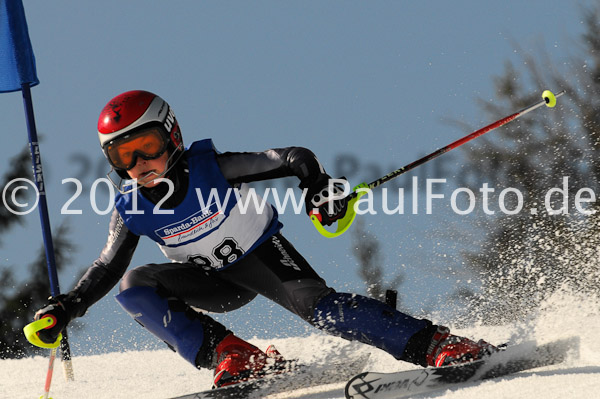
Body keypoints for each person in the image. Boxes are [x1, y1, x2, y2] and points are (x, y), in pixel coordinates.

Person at [33, 90, 497, 388]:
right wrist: (67, 307)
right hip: (210, 283)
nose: (141, 165)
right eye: (124, 156)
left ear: (172, 136)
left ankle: (436, 344)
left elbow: (293, 157)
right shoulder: (131, 206)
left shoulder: (211, 168)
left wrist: (318, 186)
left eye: (148, 147)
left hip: (263, 259)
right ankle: (233, 356)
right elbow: (106, 267)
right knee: (133, 285)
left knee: (325, 310)